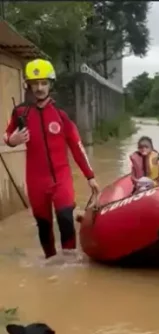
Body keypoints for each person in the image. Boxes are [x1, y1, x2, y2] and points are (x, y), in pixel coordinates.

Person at [2, 58, 99, 260]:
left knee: (65, 218)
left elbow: (77, 147)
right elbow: (6, 135)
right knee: (43, 225)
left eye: (44, 83)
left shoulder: (61, 115)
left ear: (50, 85)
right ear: (28, 85)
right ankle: (51, 263)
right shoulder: (20, 112)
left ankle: (70, 265)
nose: (39, 88)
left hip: (61, 178)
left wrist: (90, 176)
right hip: (36, 180)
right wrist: (12, 140)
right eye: (35, 83)